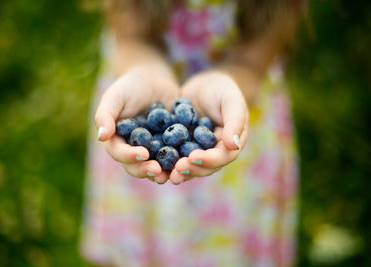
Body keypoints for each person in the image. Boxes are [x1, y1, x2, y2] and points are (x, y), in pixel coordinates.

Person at [81, 0, 303, 266]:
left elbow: (252, 61)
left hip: (233, 115)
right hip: (140, 95)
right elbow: (129, 38)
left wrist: (233, 80)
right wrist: (145, 73)